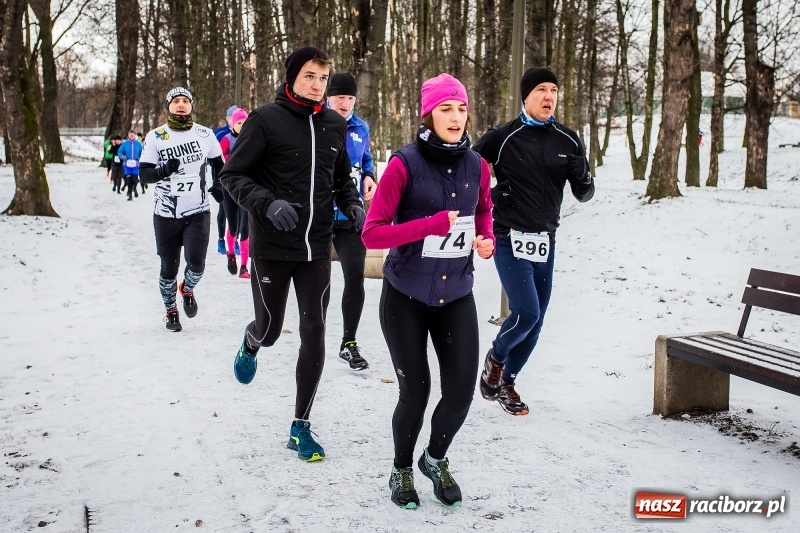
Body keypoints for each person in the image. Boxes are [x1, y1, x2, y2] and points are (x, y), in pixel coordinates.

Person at [219, 46, 363, 463]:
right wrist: (266, 204)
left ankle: (300, 426)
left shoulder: (334, 125)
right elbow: (233, 175)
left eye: (323, 78)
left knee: (315, 330)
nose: (318, 86)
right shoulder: (265, 120)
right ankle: (251, 341)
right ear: (291, 78)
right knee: (270, 327)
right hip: (273, 245)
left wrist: (352, 204)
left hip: (317, 247)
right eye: (310, 77)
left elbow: (342, 180)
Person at [361, 73, 495, 509]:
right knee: (415, 392)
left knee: (459, 395)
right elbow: (372, 235)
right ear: (429, 114)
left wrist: (485, 236)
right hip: (406, 297)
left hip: (457, 294)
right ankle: (401, 468)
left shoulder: (479, 165)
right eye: (445, 109)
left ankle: (434, 459)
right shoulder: (404, 164)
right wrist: (428, 226)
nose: (455, 117)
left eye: (460, 108)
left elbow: (483, 209)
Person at [473, 67, 595, 416]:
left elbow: (585, 193)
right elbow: (470, 172)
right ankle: (495, 358)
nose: (548, 96)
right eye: (541, 89)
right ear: (526, 96)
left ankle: (507, 381)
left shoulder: (568, 140)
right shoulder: (504, 136)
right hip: (508, 236)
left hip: (545, 240)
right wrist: (495, 194)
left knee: (536, 322)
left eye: (553, 90)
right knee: (526, 312)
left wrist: (583, 174)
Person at [139, 87, 225, 332]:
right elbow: (144, 174)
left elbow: (219, 164)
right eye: (175, 101)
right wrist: (163, 171)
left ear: (191, 105)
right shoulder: (156, 136)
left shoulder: (205, 134)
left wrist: (218, 184)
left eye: (185, 100)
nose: (180, 104)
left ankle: (187, 288)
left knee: (197, 264)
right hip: (165, 214)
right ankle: (171, 311)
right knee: (169, 268)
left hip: (198, 210)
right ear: (168, 106)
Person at [326, 72, 377, 371]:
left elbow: (365, 158)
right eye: (339, 97)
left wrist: (369, 176)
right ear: (327, 97)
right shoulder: (315, 122)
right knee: (316, 284)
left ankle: (349, 342)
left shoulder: (361, 127)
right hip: (318, 216)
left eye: (350, 97)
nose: (345, 103)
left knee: (355, 278)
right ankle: (313, 337)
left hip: (351, 215)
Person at [219, 108, 251, 278]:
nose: (242, 126)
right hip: (229, 186)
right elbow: (221, 160)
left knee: (246, 227)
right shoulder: (226, 140)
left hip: (247, 187)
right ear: (233, 123)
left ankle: (244, 267)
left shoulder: (253, 139)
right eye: (239, 123)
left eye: (245, 123)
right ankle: (231, 254)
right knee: (233, 225)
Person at [213, 105, 239, 255]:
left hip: (239, 178)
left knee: (239, 210)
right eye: (232, 117)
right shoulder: (219, 133)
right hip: (221, 177)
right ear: (228, 119)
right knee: (224, 209)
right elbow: (214, 158)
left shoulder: (246, 132)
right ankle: (221, 239)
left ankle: (235, 240)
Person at [118, 130, 143, 201]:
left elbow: (142, 153)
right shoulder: (125, 144)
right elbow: (120, 152)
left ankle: (134, 188)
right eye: (130, 134)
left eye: (133, 134)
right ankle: (130, 194)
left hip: (136, 165)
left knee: (135, 179)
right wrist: (123, 157)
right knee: (129, 180)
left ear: (135, 135)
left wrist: (140, 159)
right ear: (128, 135)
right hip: (127, 164)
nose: (131, 135)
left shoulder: (138, 144)